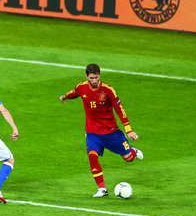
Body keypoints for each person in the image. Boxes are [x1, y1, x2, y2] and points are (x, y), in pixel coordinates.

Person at [59, 64, 143, 198]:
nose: (94, 81)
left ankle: (132, 150)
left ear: (100, 75)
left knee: (129, 158)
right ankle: (102, 189)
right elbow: (74, 93)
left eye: (96, 77)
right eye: (91, 78)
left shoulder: (108, 90)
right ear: (86, 76)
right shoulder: (82, 87)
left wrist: (129, 130)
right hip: (92, 133)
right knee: (92, 156)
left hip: (111, 133)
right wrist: (64, 97)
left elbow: (119, 109)